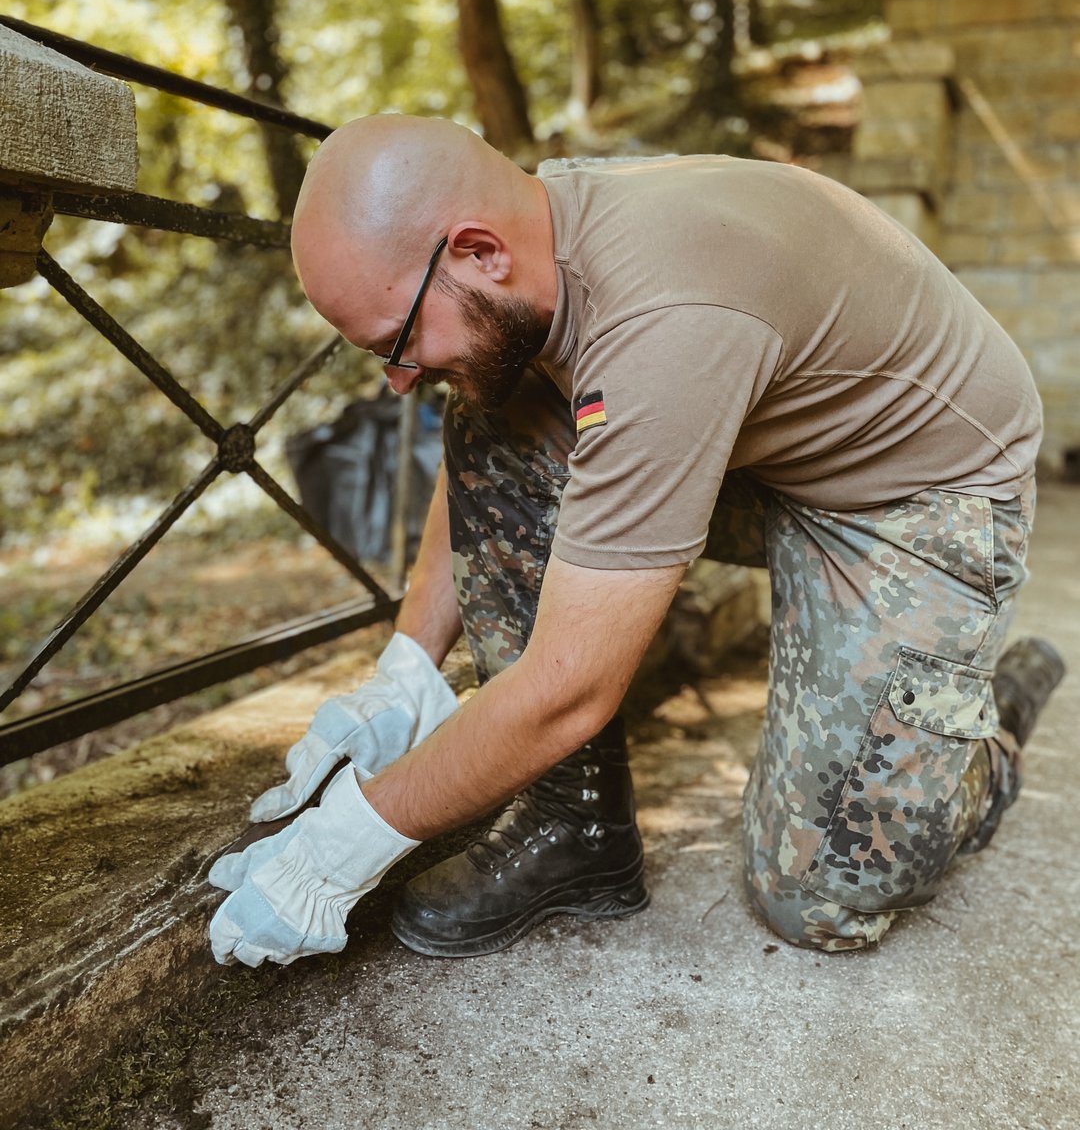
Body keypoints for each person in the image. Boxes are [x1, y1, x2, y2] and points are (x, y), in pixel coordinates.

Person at [207, 114, 1063, 968]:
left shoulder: (665, 321)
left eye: (396, 343)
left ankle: (960, 750)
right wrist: (407, 670)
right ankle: (574, 825)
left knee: (819, 892)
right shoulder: (540, 224)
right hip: (757, 439)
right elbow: (494, 451)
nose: (397, 382)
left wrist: (340, 847)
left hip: (913, 499)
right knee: (490, 399)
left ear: (479, 250)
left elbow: (572, 689)